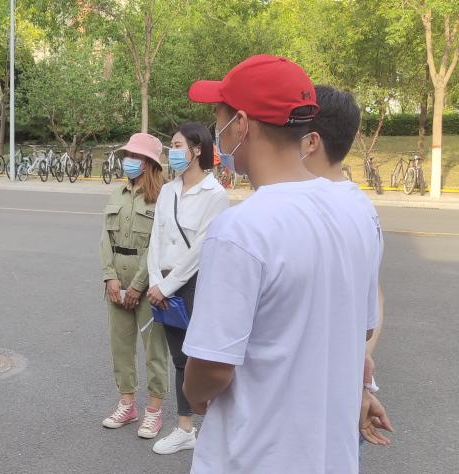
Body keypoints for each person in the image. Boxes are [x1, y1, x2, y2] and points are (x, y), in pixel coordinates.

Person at [180, 55, 382, 473]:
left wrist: (192, 392)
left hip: (256, 456)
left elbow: (212, 368)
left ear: (241, 123)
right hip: (331, 456)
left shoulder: (240, 229)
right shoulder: (357, 212)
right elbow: (363, 328)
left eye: (218, 116)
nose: (217, 129)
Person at [303, 84, 393, 446]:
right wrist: (360, 371)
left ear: (310, 140)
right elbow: (374, 299)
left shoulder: (307, 210)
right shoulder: (362, 208)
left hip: (307, 398)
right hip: (344, 387)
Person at [145, 123, 229, 455]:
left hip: (192, 285)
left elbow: (201, 249)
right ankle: (184, 428)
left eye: (178, 145)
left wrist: (166, 286)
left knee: (204, 358)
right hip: (163, 285)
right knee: (180, 359)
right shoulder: (168, 190)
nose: (172, 151)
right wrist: (155, 280)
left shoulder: (215, 194)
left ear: (196, 150)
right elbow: (155, 238)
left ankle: (220, 426)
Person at [99, 133, 171, 440]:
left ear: (149, 163)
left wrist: (138, 286)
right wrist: (110, 277)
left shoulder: (163, 197)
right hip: (117, 280)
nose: (129, 161)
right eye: (127, 155)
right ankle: (127, 404)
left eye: (136, 157)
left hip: (148, 284)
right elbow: (105, 239)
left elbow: (159, 245)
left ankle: (154, 410)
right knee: (121, 347)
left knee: (154, 350)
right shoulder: (117, 193)